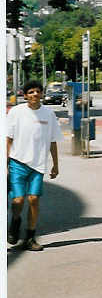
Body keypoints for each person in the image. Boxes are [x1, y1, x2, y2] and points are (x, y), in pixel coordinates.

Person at [7, 80, 64, 251]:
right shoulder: (16, 112)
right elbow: (8, 139)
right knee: (18, 200)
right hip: (17, 162)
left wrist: (55, 165)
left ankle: (30, 237)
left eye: (38, 91)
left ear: (42, 94)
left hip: (38, 165)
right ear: (25, 95)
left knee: (33, 199)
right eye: (31, 92)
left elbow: (53, 141)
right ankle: (15, 221)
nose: (35, 94)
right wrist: (5, 162)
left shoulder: (49, 114)